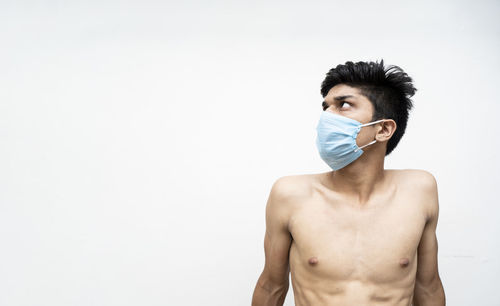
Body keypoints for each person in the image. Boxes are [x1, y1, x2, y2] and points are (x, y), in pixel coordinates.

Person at [251, 60, 445, 306]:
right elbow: (271, 287)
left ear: (383, 129)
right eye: (326, 107)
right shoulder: (290, 195)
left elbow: (428, 288)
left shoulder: (419, 191)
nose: (327, 117)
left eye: (343, 105)